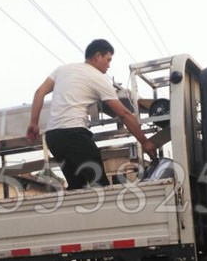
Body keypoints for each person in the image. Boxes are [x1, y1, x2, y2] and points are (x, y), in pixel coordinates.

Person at [26, 39, 157, 190]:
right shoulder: (98, 78)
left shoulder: (62, 69)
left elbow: (39, 93)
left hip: (53, 138)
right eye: (108, 60)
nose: (108, 65)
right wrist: (145, 142)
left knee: (76, 186)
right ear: (97, 56)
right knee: (100, 185)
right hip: (74, 134)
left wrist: (34, 123)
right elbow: (124, 114)